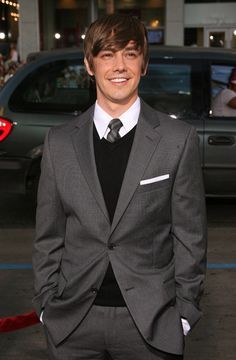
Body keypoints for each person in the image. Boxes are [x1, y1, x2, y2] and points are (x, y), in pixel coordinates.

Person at [32, 14, 207, 360]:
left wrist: (184, 314)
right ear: (89, 64)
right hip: (73, 322)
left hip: (151, 324)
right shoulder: (59, 143)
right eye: (107, 54)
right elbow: (48, 236)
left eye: (129, 53)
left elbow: (191, 236)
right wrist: (45, 305)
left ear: (143, 64)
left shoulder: (177, 140)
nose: (119, 66)